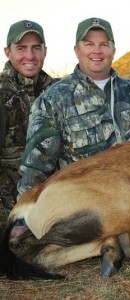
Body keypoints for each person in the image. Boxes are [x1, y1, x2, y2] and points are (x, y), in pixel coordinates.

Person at [17, 17, 130, 197]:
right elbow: (35, 169)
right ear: (77, 50)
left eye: (104, 44)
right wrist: (23, 219)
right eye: (89, 44)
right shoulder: (52, 100)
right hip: (81, 208)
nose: (97, 51)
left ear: (113, 50)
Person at [0, 20, 56, 210]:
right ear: (8, 52)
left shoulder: (58, 92)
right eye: (21, 48)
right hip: (11, 211)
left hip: (56, 205)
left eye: (36, 48)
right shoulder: (2, 95)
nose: (30, 56)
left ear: (45, 51)